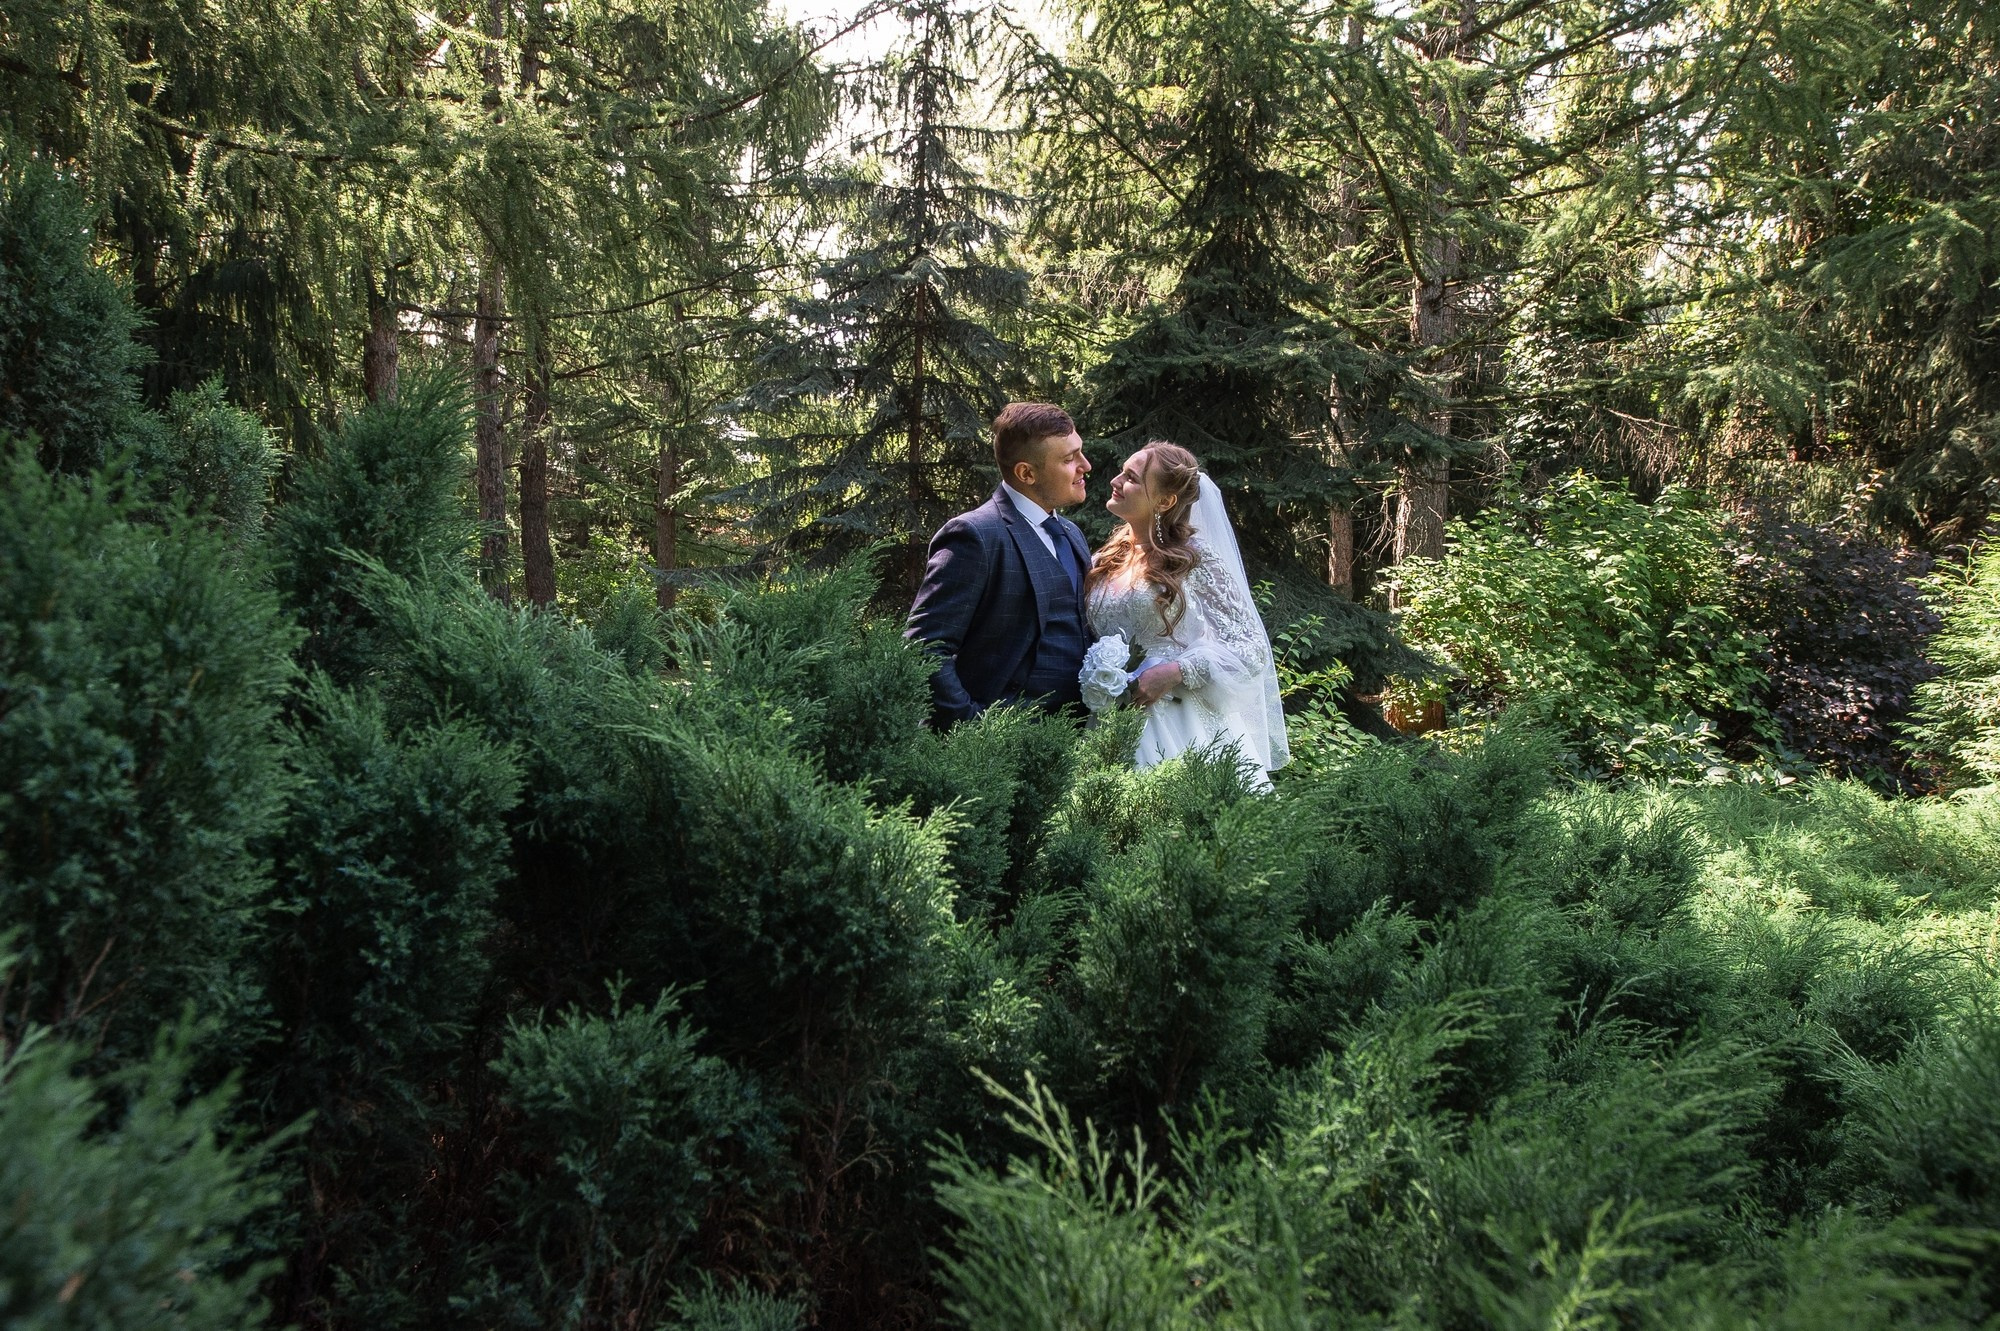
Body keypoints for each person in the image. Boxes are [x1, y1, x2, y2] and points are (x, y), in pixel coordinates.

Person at [1084, 441, 1289, 786]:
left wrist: (1176, 671)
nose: (1115, 481)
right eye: (1122, 472)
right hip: (1108, 718)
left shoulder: (1195, 559)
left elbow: (1251, 649)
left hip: (1179, 722)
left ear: (1164, 502)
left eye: (1131, 478)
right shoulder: (1105, 559)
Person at [905, 402, 1095, 726]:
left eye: (1080, 452)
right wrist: (974, 727)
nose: (1085, 466)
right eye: (1068, 459)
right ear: (1026, 473)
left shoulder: (1072, 534)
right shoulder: (974, 535)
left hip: (1079, 742)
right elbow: (923, 648)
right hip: (1001, 751)